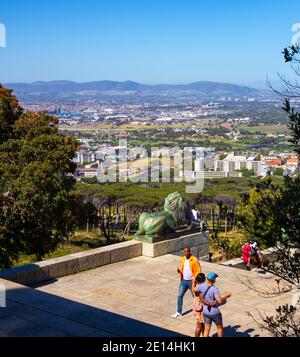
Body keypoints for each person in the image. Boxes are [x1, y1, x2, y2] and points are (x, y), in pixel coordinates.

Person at [196, 272, 231, 338]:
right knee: (219, 328)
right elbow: (219, 300)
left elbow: (195, 290)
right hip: (214, 312)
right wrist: (226, 296)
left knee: (206, 329)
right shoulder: (214, 289)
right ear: (213, 280)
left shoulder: (202, 286)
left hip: (206, 311)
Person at [172, 246, 201, 318]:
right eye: (184, 252)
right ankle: (179, 312)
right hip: (184, 281)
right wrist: (179, 270)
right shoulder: (183, 258)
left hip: (192, 282)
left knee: (195, 296)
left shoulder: (194, 260)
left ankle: (198, 310)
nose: (186, 253)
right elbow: (181, 268)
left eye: (187, 252)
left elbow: (198, 270)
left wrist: (195, 278)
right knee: (180, 295)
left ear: (189, 252)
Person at [192, 273, 206, 337]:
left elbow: (193, 289)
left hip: (197, 307)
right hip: (200, 308)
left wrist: (193, 281)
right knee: (199, 325)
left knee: (202, 324)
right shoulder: (199, 288)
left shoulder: (196, 286)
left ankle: (204, 335)